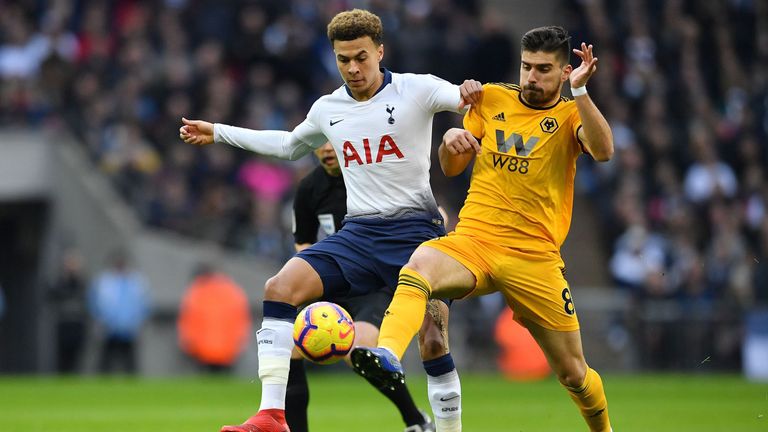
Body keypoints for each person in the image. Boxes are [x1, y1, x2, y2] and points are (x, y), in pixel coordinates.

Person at [179, 9, 479, 432]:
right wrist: (218, 131)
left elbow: (475, 99)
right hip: (358, 236)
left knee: (433, 341)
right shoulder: (328, 109)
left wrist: (473, 103)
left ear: (380, 50)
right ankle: (272, 415)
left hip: (418, 235)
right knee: (279, 289)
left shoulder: (417, 89)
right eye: (343, 59)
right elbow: (287, 145)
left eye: (361, 57)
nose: (353, 68)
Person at [351, 26, 615, 432]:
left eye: (544, 69)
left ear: (565, 73)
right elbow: (451, 167)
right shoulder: (491, 98)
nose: (531, 77)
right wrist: (451, 142)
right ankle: (387, 352)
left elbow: (603, 151)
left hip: (534, 257)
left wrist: (581, 93)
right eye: (527, 66)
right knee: (419, 263)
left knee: (574, 375)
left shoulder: (568, 115)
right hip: (475, 240)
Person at [287, 142, 455, 432]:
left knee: (361, 349)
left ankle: (414, 419)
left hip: (373, 281)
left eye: (332, 141)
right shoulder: (309, 188)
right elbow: (303, 242)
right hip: (334, 280)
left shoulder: (375, 174)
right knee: (290, 347)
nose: (326, 149)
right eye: (320, 142)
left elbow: (434, 212)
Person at [177, 263, 252, 373]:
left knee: (206, 384)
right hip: (229, 348)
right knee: (225, 384)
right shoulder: (233, 291)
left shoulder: (196, 292)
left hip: (202, 349)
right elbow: (242, 320)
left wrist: (187, 340)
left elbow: (188, 320)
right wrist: (241, 340)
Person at [89, 249, 151, 374]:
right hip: (109, 328)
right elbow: (94, 302)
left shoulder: (136, 281)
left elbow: (145, 303)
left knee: (130, 362)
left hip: (129, 328)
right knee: (106, 362)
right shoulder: (105, 281)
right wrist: (101, 320)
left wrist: (138, 321)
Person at [48, 248, 89, 374]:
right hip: (64, 323)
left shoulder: (82, 283)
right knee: (62, 356)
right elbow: (51, 295)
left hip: (77, 324)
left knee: (76, 356)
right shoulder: (61, 282)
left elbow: (86, 299)